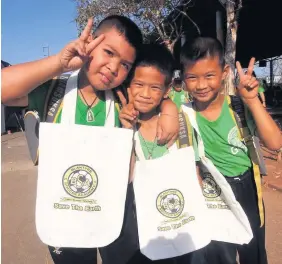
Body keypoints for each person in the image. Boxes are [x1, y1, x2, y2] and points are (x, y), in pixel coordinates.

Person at [1, 15, 179, 264]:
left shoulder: (122, 98)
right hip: (66, 212)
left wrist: (169, 109)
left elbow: (156, 90)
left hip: (116, 211)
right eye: (108, 52)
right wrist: (60, 63)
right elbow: (4, 88)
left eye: (126, 64)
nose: (113, 67)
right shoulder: (53, 91)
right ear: (90, 43)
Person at [180, 37, 282, 264]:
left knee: (252, 250)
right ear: (184, 79)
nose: (201, 85)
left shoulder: (238, 106)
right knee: (219, 253)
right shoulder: (183, 114)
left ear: (224, 72)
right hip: (212, 190)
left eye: (209, 76)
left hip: (246, 188)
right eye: (192, 77)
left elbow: (275, 143)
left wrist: (253, 102)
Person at [119, 43, 205, 264]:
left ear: (166, 91)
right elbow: (126, 178)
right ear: (129, 84)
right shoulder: (118, 123)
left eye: (155, 88)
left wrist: (170, 108)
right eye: (138, 84)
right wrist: (126, 133)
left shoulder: (181, 123)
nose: (146, 94)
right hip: (141, 226)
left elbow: (194, 177)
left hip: (177, 221)